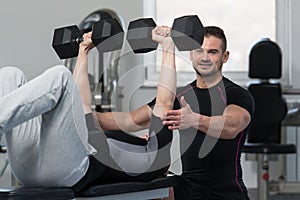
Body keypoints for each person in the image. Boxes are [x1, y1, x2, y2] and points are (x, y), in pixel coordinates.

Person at [0, 25, 176, 195]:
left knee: (61, 76)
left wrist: (168, 47)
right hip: (29, 168)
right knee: (9, 75)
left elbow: (164, 103)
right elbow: (81, 105)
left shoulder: (157, 157)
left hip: (68, 171)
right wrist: (83, 50)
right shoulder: (114, 136)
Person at [96, 26, 254, 199]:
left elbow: (232, 126)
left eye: (213, 52)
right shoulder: (180, 96)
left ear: (225, 57)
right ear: (191, 55)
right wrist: (84, 118)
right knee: (148, 188)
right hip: (188, 187)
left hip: (226, 192)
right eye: (199, 51)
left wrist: (194, 120)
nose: (205, 58)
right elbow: (129, 120)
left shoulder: (237, 94)